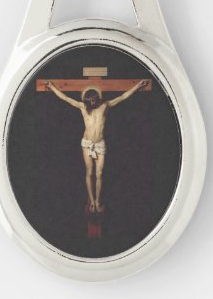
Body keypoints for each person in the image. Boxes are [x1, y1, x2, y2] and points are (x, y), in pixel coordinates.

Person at [45, 79, 148, 213]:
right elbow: (65, 98)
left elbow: (123, 97)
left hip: (99, 144)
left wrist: (138, 86)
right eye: (90, 101)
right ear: (87, 100)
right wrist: (52, 87)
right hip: (87, 144)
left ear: (97, 98)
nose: (93, 103)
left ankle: (98, 201)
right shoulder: (83, 107)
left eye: (94, 100)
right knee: (89, 172)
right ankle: (92, 202)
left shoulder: (105, 106)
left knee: (99, 173)